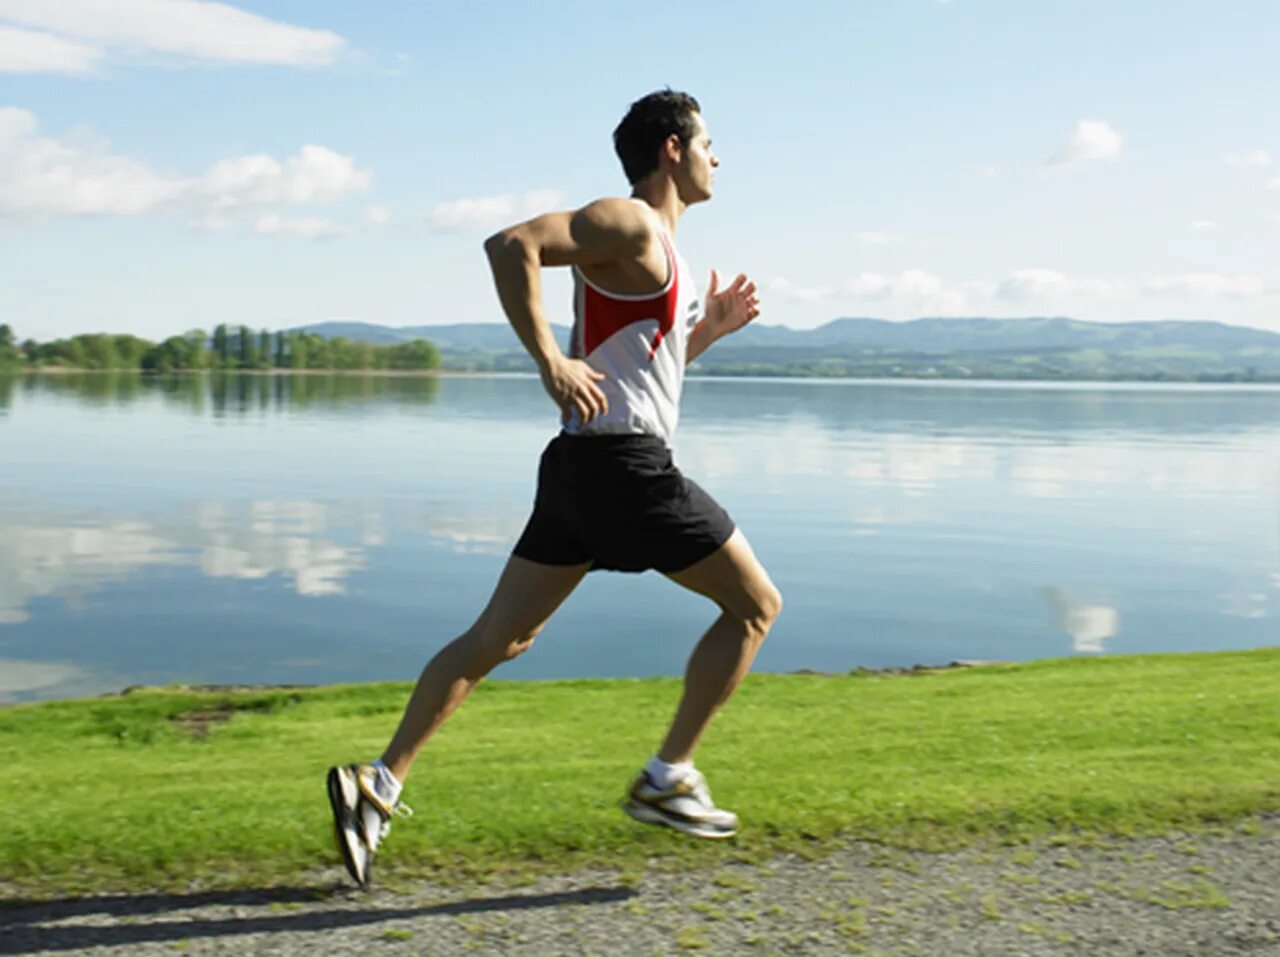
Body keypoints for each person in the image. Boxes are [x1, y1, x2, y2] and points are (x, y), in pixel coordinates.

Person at [327, 89, 782, 887]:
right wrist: (549, 359)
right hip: (625, 472)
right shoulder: (631, 220)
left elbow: (637, 376)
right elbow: (511, 245)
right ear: (671, 149)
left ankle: (378, 781)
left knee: (499, 638)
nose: (720, 157)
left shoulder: (655, 251)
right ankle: (669, 775)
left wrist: (704, 331)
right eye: (710, 141)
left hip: (581, 468)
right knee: (756, 606)